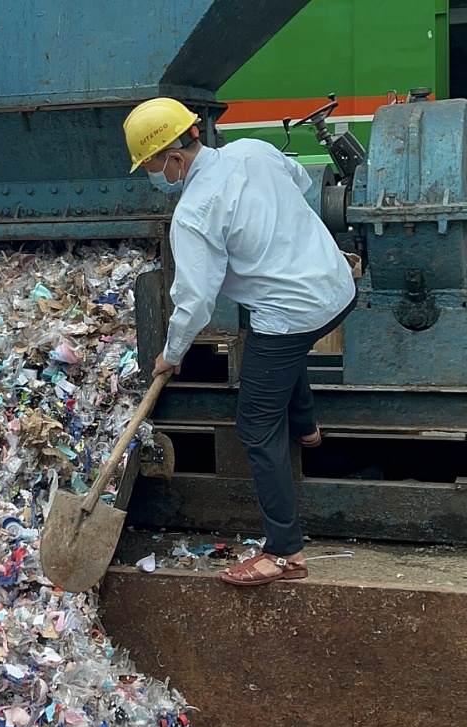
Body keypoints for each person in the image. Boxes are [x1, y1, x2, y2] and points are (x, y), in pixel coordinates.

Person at [122, 98, 356, 587]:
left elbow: (194, 300)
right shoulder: (254, 150)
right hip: (336, 286)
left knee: (253, 425)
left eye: (150, 165)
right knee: (272, 344)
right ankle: (306, 424)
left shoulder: (193, 213)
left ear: (174, 158)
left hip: (291, 313)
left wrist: (173, 351)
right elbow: (303, 182)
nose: (153, 175)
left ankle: (284, 552)